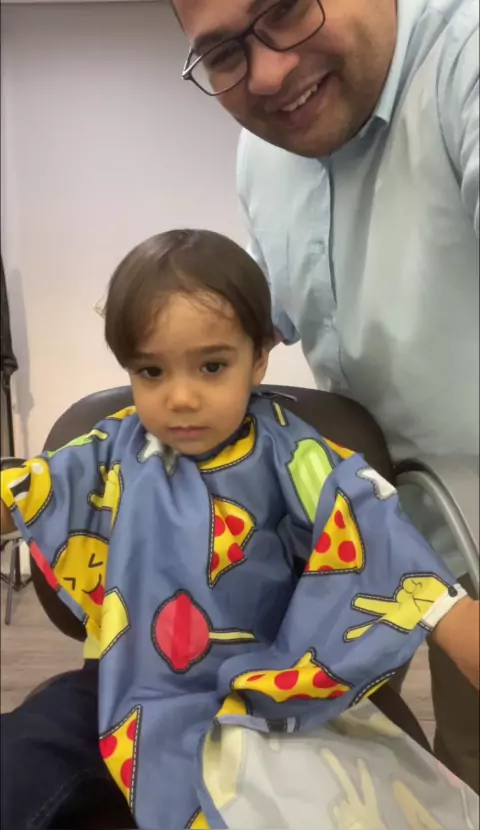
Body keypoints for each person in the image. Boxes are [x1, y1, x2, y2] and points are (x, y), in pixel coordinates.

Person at [1, 230, 479, 830]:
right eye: (151, 371)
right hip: (122, 682)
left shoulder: (296, 456)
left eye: (211, 366)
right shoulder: (112, 449)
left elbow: (377, 533)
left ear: (258, 358)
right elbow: (29, 487)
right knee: (21, 757)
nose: (180, 397)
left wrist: (457, 622)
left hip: (266, 686)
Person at [164, 0, 480, 791]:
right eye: (223, 52)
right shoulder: (265, 153)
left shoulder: (466, 56)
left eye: (287, 7)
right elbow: (256, 322)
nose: (268, 74)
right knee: (450, 765)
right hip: (396, 542)